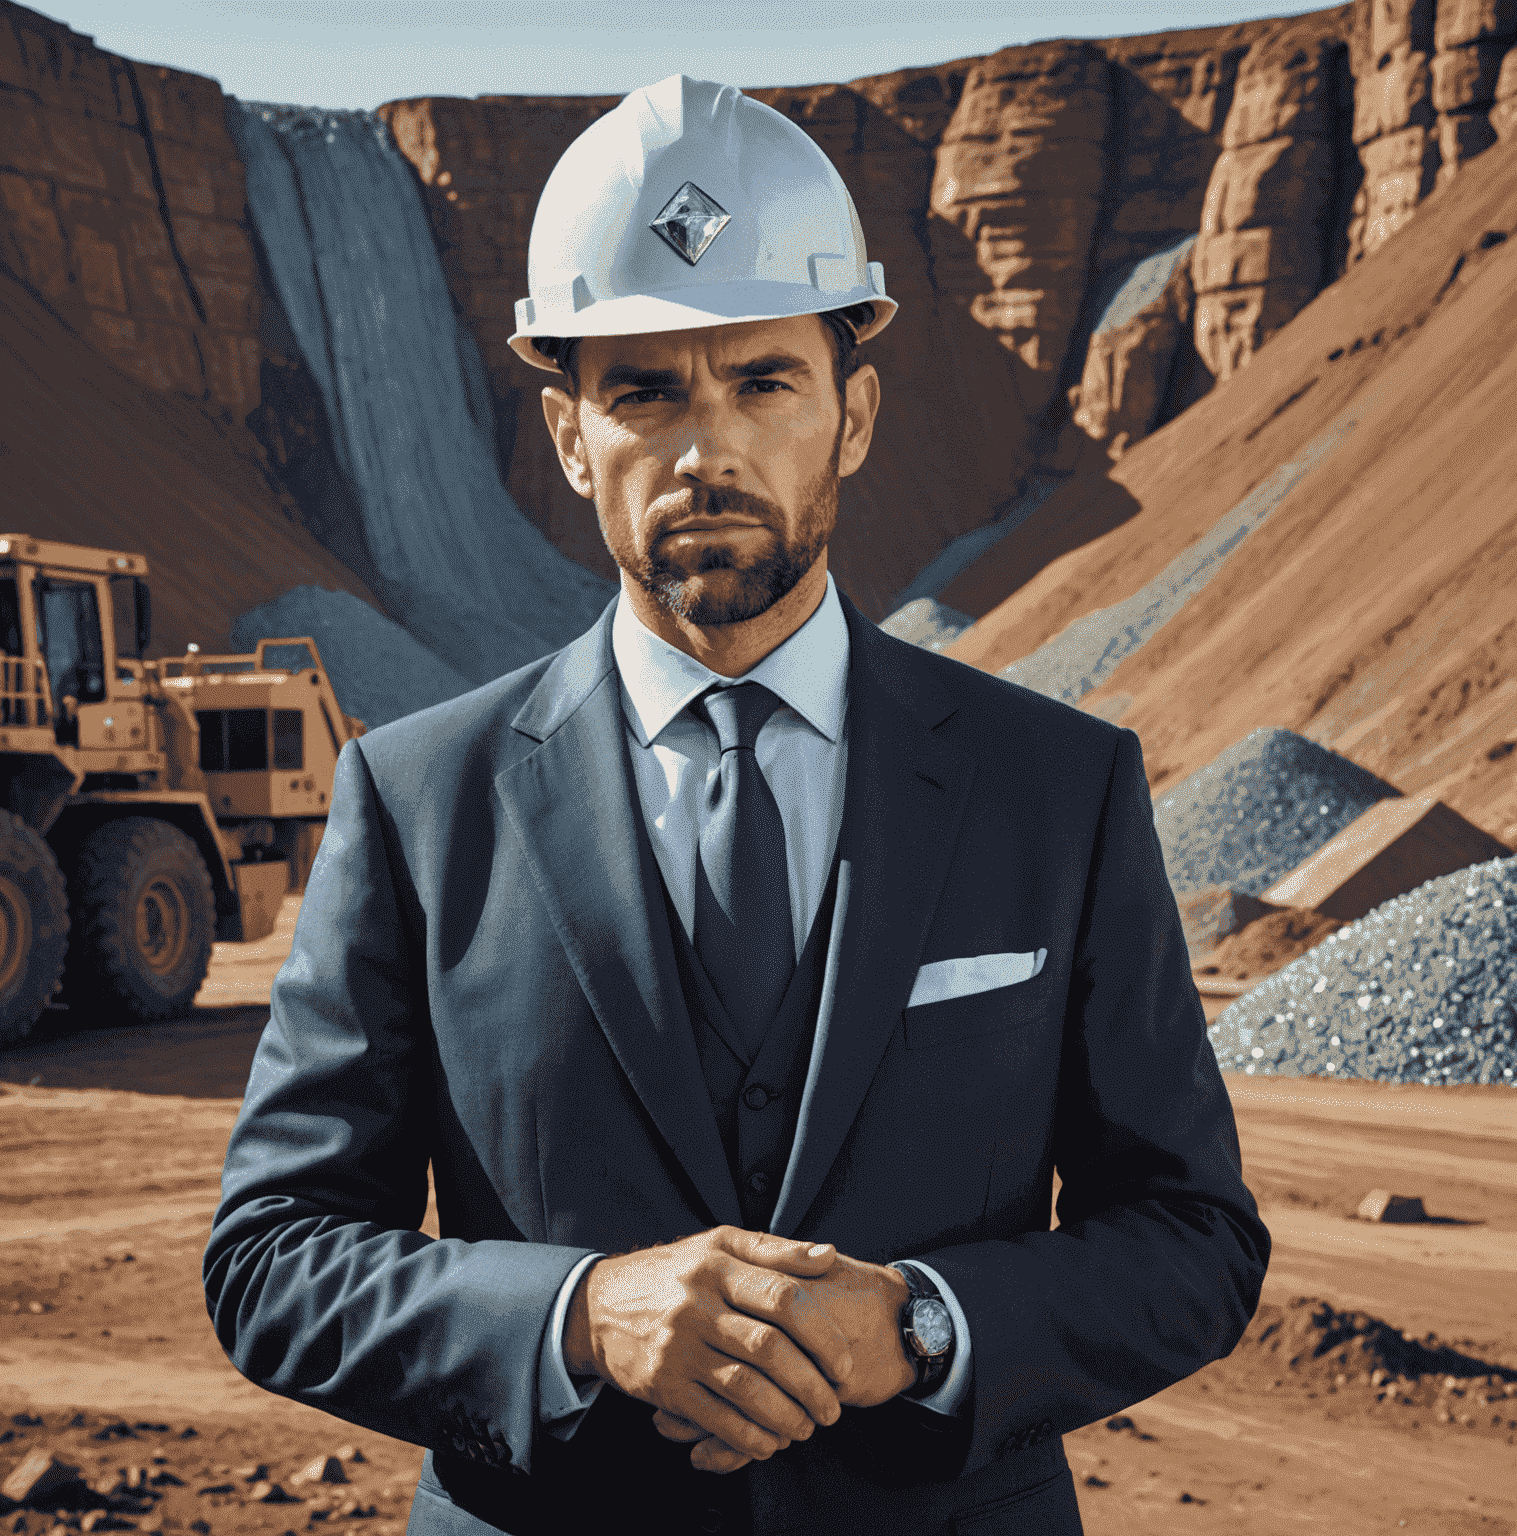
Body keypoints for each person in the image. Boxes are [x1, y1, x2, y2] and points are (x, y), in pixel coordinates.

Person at [204, 75, 1270, 1536]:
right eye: (643, 388)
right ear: (572, 437)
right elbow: (270, 1255)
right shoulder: (414, 798)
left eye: (763, 380)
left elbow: (1196, 1240)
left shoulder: (1059, 788)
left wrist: (925, 1327)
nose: (707, 450)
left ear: (854, 414)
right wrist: (580, 1317)